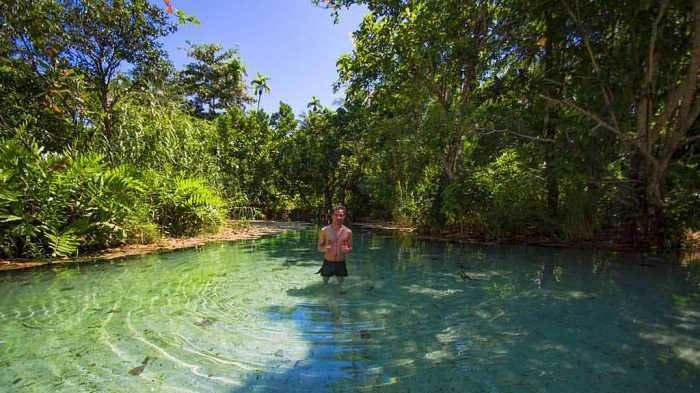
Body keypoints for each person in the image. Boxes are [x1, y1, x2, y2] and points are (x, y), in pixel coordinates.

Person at [316, 204, 353, 285]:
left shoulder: (348, 232)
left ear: (344, 216)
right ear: (332, 216)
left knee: (341, 285)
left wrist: (347, 250)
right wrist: (325, 248)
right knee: (324, 284)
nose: (338, 217)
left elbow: (350, 247)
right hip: (328, 262)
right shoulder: (324, 230)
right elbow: (319, 247)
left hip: (341, 262)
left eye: (341, 215)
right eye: (336, 215)